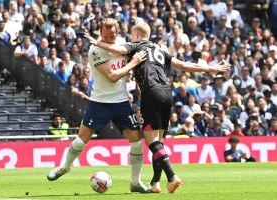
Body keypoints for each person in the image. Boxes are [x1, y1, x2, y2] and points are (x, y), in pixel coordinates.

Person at [85, 21, 230, 193]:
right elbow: (183, 65)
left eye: (131, 35)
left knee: (150, 140)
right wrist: (210, 68)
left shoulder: (135, 45)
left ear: (137, 35)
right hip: (167, 93)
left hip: (151, 93)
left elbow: (117, 50)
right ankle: (155, 182)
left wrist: (97, 43)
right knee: (159, 140)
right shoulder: (159, 49)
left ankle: (171, 176)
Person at [47, 18, 151, 194]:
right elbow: (112, 76)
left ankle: (135, 182)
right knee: (81, 140)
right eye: (105, 36)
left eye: (111, 36)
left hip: (121, 103)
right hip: (100, 102)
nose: (108, 39)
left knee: (136, 142)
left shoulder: (122, 44)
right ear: (100, 33)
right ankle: (64, 167)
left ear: (117, 33)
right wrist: (133, 63)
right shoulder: (95, 50)